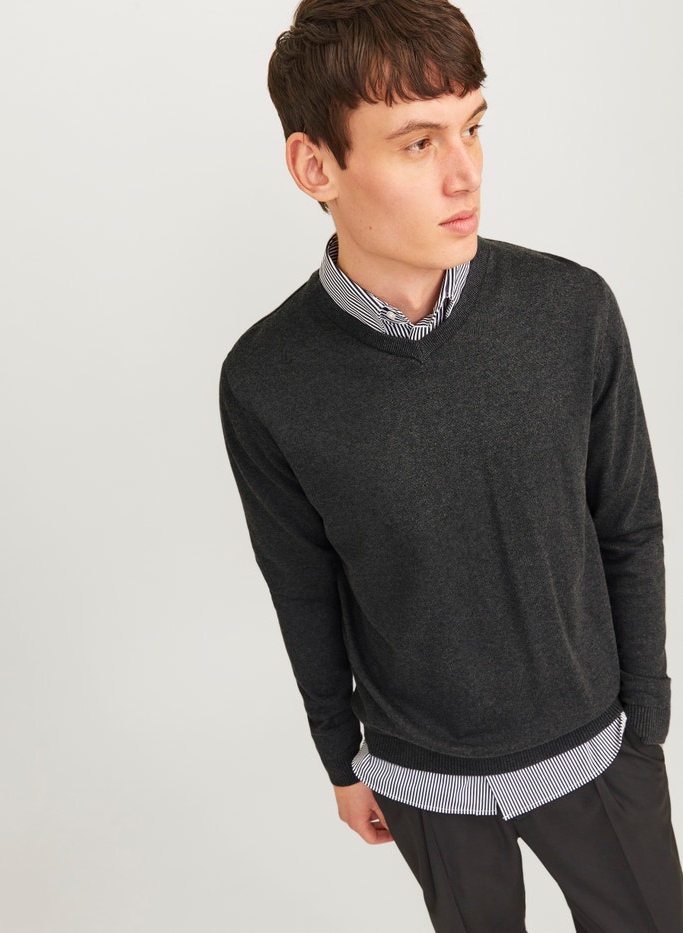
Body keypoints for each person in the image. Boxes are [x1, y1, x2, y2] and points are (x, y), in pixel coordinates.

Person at [219, 1, 683, 930]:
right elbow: (302, 586)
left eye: (471, 126)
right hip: (422, 774)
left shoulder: (572, 309)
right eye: (418, 143)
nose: (465, 171)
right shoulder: (266, 379)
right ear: (316, 166)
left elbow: (626, 522)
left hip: (598, 747)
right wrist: (341, 758)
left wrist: (647, 718)